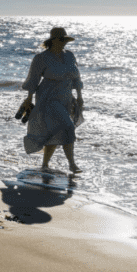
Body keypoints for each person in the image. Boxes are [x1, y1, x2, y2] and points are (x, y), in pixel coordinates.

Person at [19, 27, 84, 173]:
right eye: (61, 40)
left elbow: (76, 77)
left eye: (66, 40)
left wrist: (80, 97)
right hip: (48, 98)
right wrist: (28, 100)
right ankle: (72, 164)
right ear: (52, 40)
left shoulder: (70, 56)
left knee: (55, 131)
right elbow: (33, 81)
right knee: (68, 127)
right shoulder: (41, 58)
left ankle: (45, 165)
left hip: (67, 98)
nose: (64, 43)